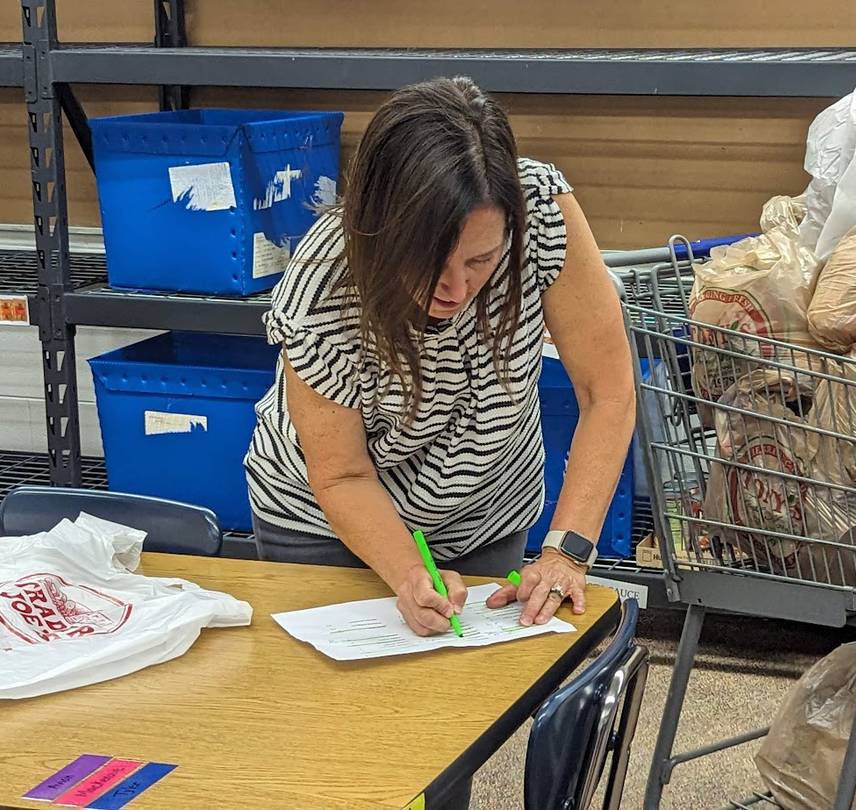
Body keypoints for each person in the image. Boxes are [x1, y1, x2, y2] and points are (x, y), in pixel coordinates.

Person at [243, 77, 635, 639]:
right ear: (381, 230)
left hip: (486, 510)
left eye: (480, 260)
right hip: (328, 525)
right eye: (430, 262)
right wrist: (408, 573)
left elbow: (608, 392)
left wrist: (566, 553)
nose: (455, 287)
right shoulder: (323, 282)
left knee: (481, 699)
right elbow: (343, 473)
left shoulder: (543, 214)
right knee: (343, 714)